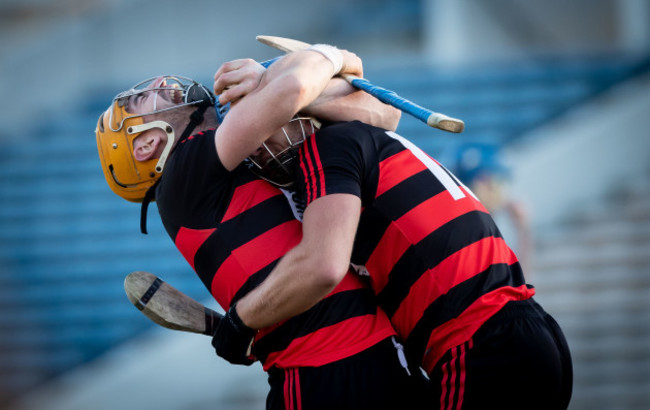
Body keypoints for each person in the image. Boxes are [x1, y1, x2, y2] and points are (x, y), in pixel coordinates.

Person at [219, 46, 574, 409]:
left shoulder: (328, 148)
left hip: (480, 347)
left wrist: (241, 321)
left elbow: (322, 265)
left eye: (259, 120)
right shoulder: (368, 140)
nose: (254, 149)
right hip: (530, 332)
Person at [95, 49, 428, 409]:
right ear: (147, 144)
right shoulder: (181, 176)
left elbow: (384, 113)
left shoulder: (241, 160)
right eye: (145, 98)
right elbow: (292, 89)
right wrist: (332, 56)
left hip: (383, 352)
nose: (162, 84)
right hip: (322, 373)